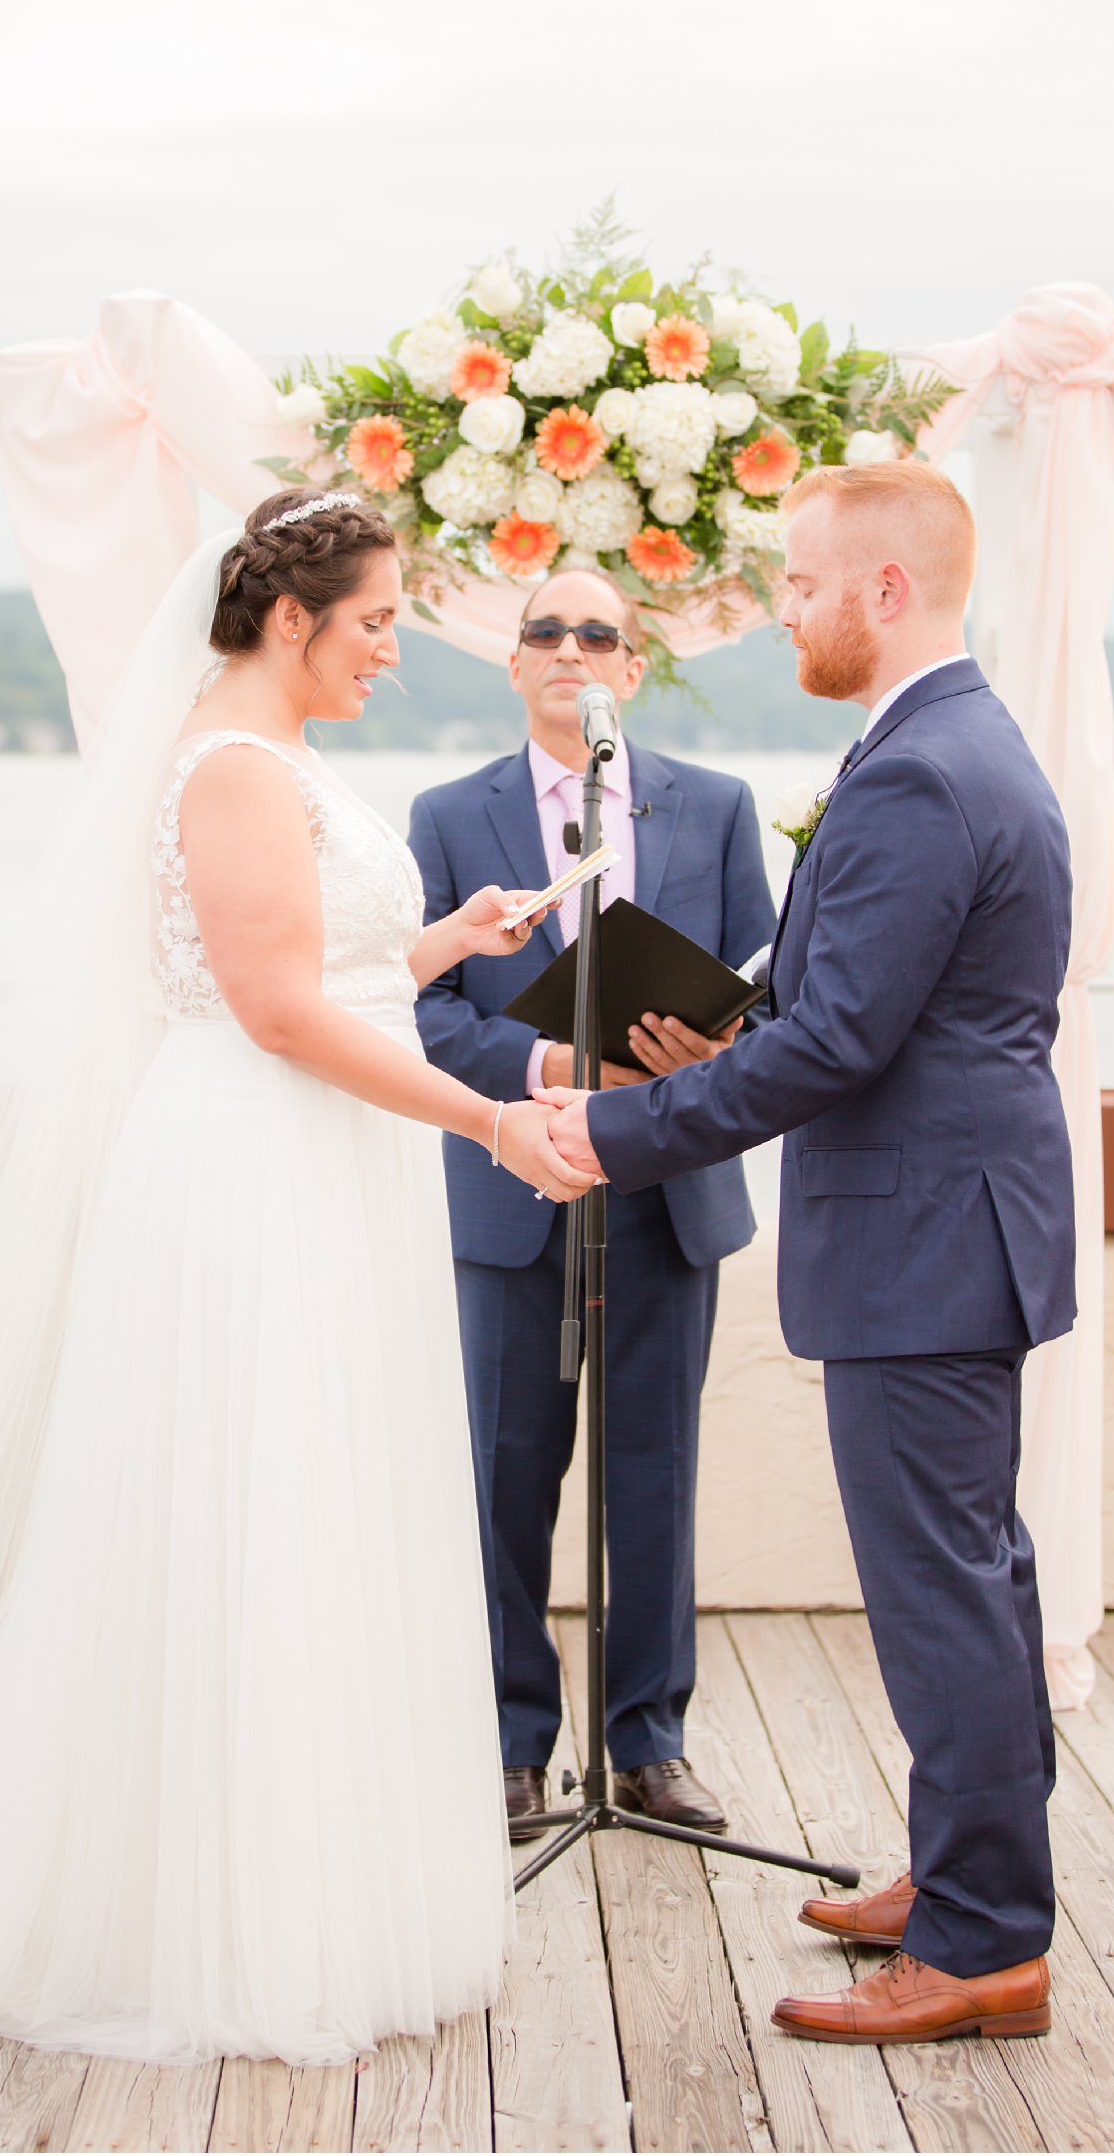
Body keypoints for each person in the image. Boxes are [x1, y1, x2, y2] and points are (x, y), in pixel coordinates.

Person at [0, 491, 592, 2066]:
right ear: (289, 618)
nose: (394, 651)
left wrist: (442, 943)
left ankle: (324, 1887)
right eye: (374, 622)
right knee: (253, 1505)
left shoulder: (270, 761)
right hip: (255, 1172)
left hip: (325, 1161)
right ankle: (230, 1914)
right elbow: (267, 1011)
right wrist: (490, 1115)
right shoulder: (227, 766)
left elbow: (306, 969)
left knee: (324, 1500)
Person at [542, 460, 1073, 2047]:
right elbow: (848, 996)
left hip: (926, 1238)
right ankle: (969, 1872)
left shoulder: (922, 766)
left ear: (885, 591)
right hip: (954, 1229)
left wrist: (619, 1132)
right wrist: (711, 1035)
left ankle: (984, 1941)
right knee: (974, 1576)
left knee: (942, 1592)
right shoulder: (945, 741)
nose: (783, 608)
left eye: (798, 582)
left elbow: (843, 1039)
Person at [409, 568, 775, 1837]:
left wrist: (705, 1049)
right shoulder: (448, 815)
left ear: (631, 666)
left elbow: (759, 992)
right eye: (543, 631)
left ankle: (647, 1746)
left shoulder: (715, 807)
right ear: (512, 664)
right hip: (510, 1186)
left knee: (652, 1473)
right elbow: (421, 1013)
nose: (570, 648)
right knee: (504, 1475)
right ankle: (510, 1743)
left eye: (597, 633)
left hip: (668, 1188)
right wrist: (555, 1066)